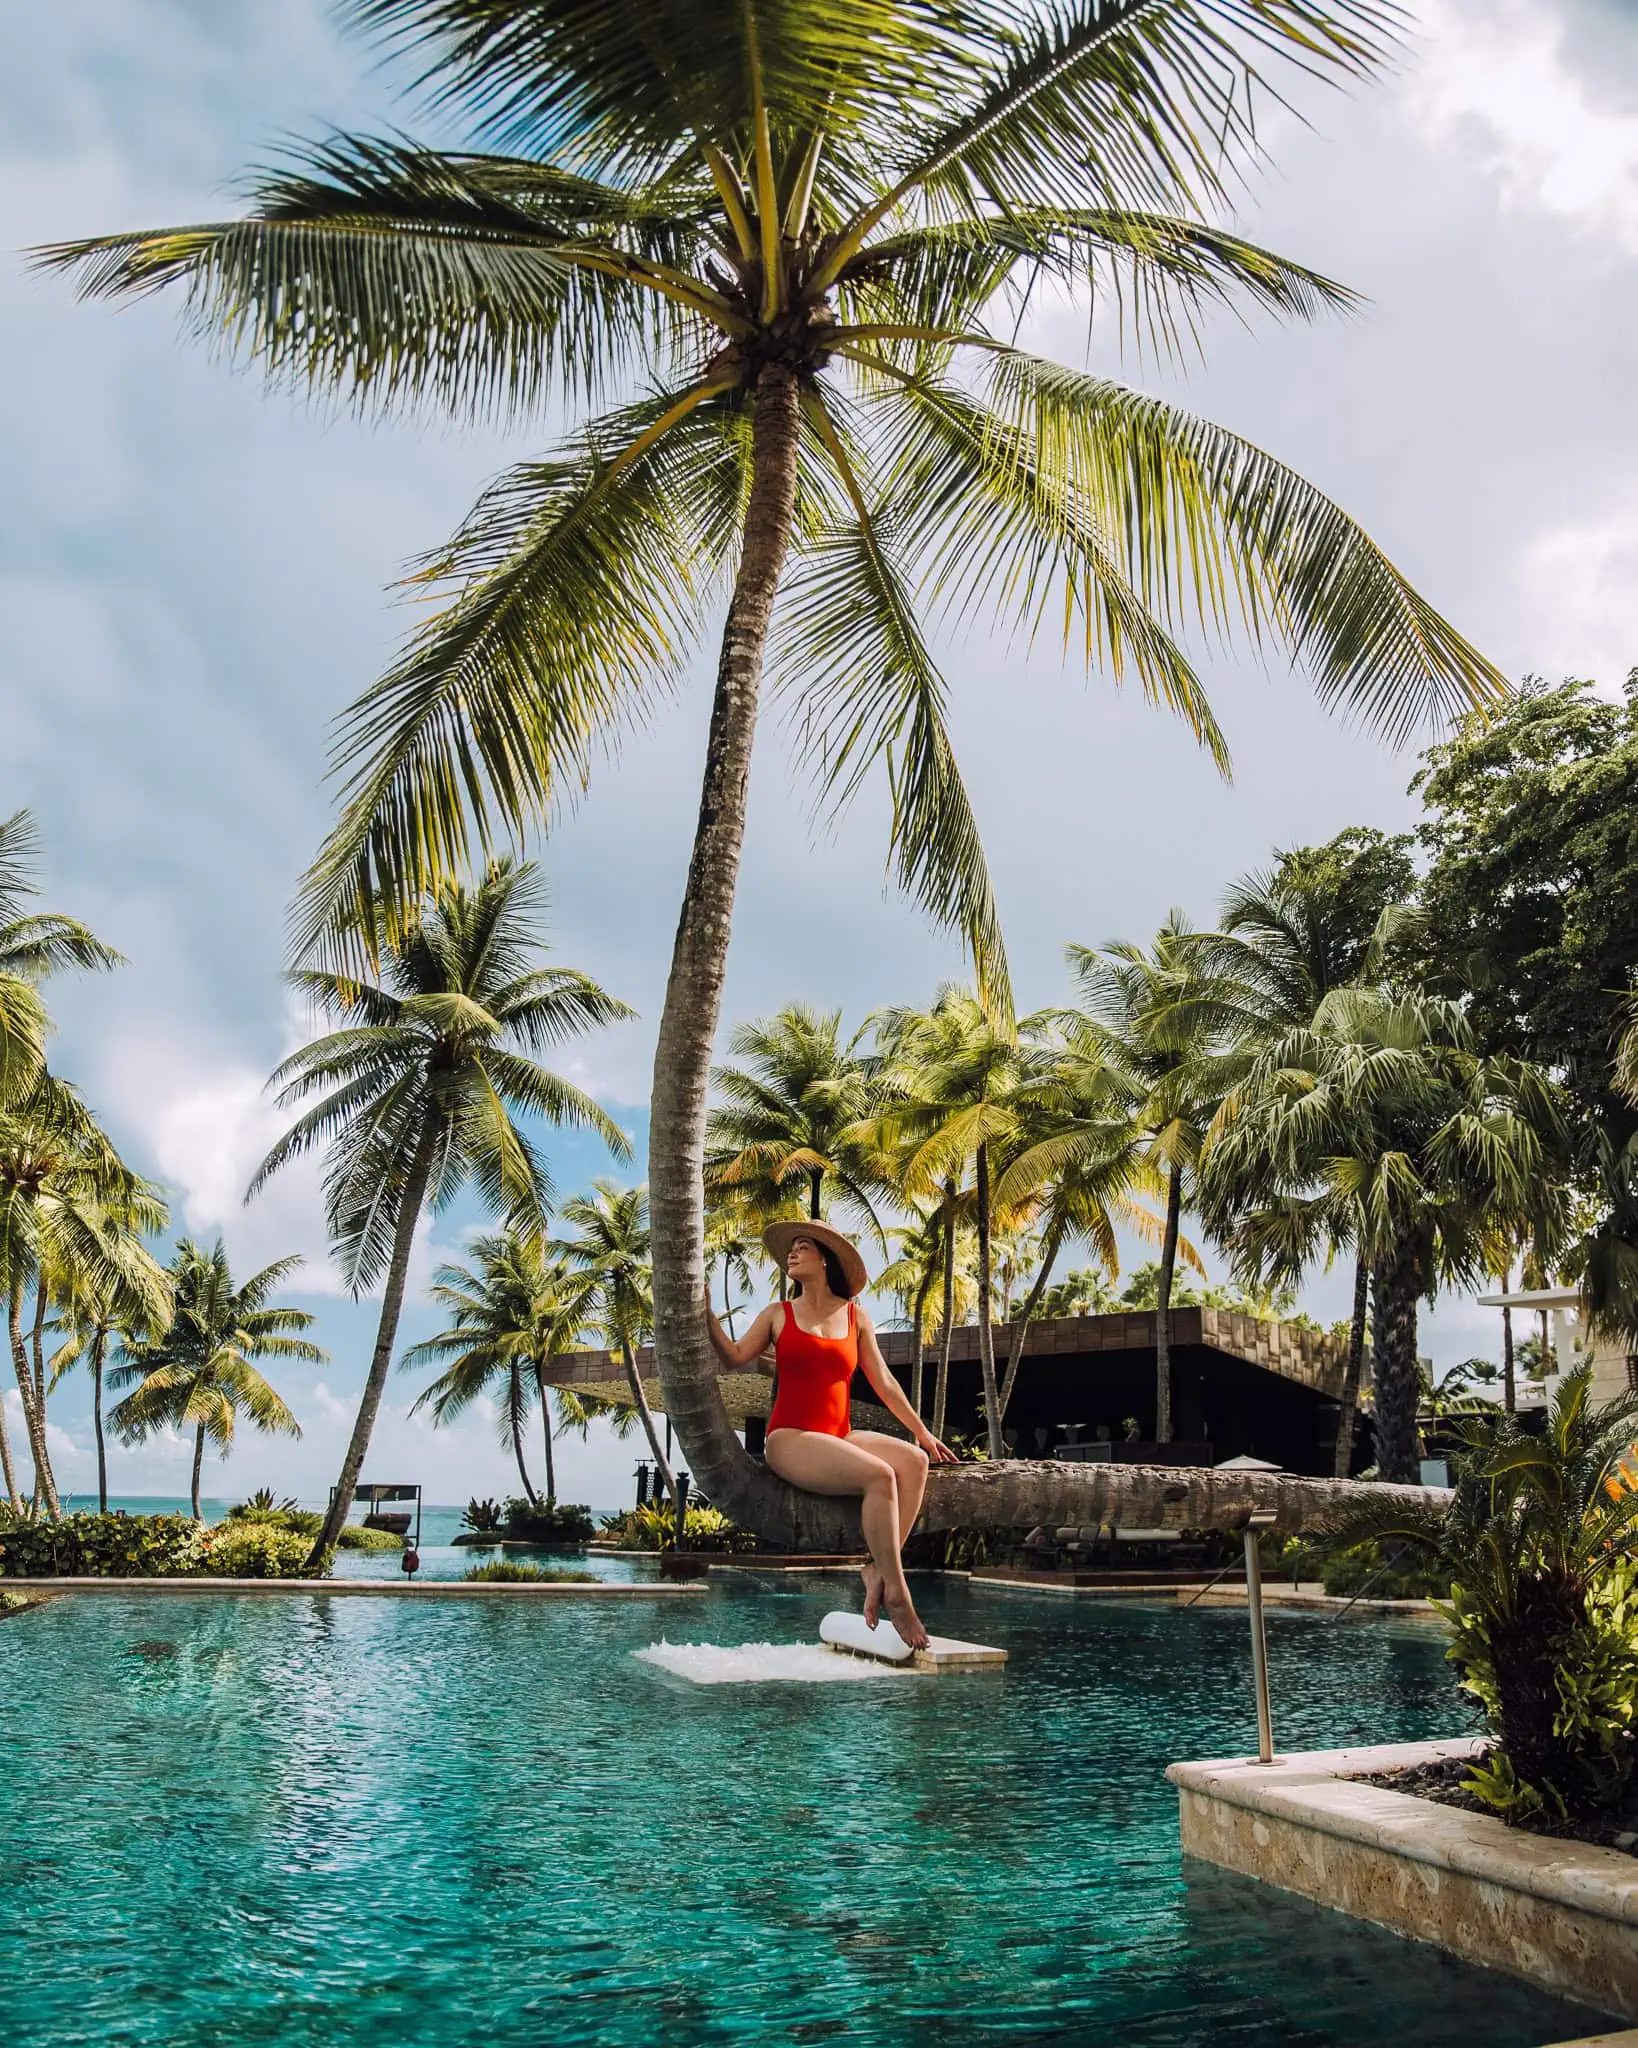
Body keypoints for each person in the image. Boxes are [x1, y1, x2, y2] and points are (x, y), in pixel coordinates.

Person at [707, 1220, 956, 1651]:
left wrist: (922, 1433)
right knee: (879, 1476)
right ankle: (898, 1593)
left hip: (839, 1434)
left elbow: (883, 1383)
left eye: (802, 1247)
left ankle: (877, 1569)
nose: (792, 1254)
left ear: (824, 1258)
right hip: (790, 1438)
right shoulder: (776, 1315)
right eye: (790, 1249)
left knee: (914, 1462)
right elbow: (733, 1357)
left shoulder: (856, 1316)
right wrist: (705, 1312)